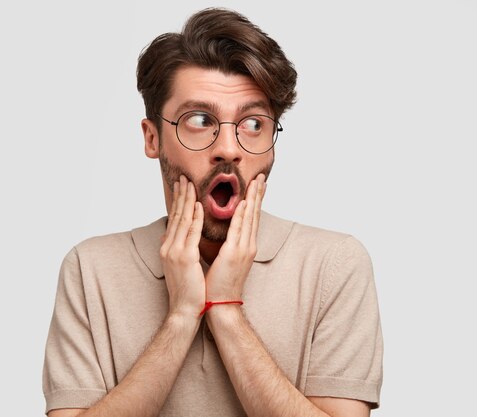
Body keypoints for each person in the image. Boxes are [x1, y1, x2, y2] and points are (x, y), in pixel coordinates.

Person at [43, 7, 383, 417]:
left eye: (254, 123)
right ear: (153, 139)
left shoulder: (335, 264)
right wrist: (182, 315)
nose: (229, 148)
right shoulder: (90, 269)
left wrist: (225, 310)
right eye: (200, 120)